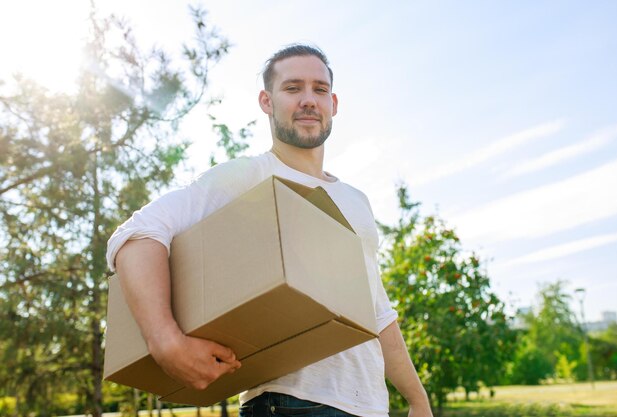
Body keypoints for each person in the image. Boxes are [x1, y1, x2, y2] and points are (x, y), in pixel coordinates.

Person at [106, 44, 433, 417]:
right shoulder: (249, 176)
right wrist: (165, 341)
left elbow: (376, 311)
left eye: (319, 89)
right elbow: (137, 233)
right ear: (267, 101)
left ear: (334, 104)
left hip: (371, 407)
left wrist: (417, 400)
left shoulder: (356, 201)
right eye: (293, 88)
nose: (308, 100)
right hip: (291, 404)